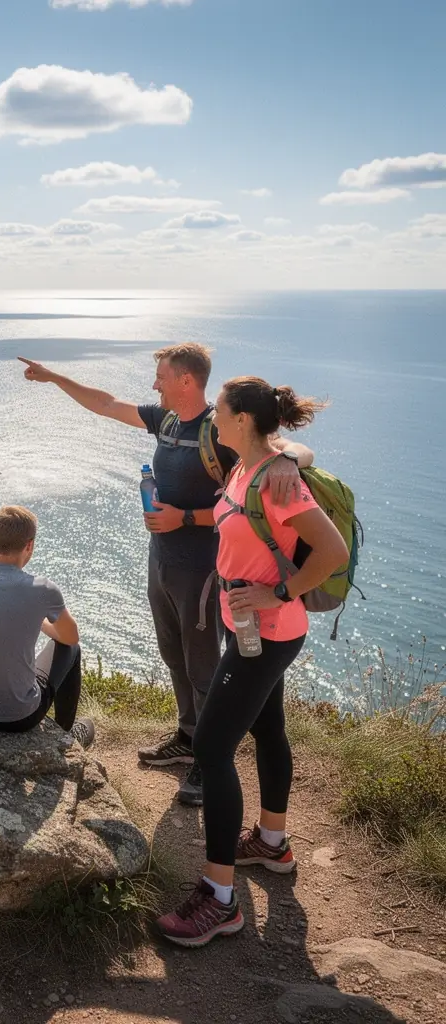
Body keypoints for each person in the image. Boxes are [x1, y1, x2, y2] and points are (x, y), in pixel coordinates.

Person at [19, 345, 313, 805]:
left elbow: (290, 450)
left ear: (186, 381)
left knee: (203, 662)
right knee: (172, 653)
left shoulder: (221, 431)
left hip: (203, 569)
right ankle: (188, 734)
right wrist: (56, 377)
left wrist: (285, 462)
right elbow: (106, 403)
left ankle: (210, 756)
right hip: (162, 561)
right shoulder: (168, 421)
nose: (154, 384)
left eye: (161, 376)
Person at [154, 377, 349, 947]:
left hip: (266, 630)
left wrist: (279, 594)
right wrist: (286, 454)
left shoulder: (277, 482)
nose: (212, 417)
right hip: (253, 631)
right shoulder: (247, 466)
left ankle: (220, 899)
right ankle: (272, 842)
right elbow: (289, 451)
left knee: (212, 749)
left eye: (221, 410)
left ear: (242, 420)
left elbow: (332, 550)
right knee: (268, 730)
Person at [0, 505, 95, 747]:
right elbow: (70, 636)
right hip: (19, 717)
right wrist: (40, 621)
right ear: (30, 545)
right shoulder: (43, 590)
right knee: (72, 650)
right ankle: (65, 739)